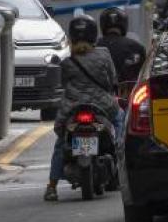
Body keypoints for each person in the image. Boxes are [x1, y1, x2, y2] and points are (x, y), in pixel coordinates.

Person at [44, 16, 119, 202]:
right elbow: (112, 80)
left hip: (72, 108)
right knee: (120, 124)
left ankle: (52, 187)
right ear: (94, 35)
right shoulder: (104, 54)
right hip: (103, 105)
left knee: (61, 142)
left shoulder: (67, 61)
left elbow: (64, 84)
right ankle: (122, 169)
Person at [98, 7, 147, 87]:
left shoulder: (94, 47)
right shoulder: (137, 47)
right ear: (124, 23)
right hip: (130, 95)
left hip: (101, 96)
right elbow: (144, 77)